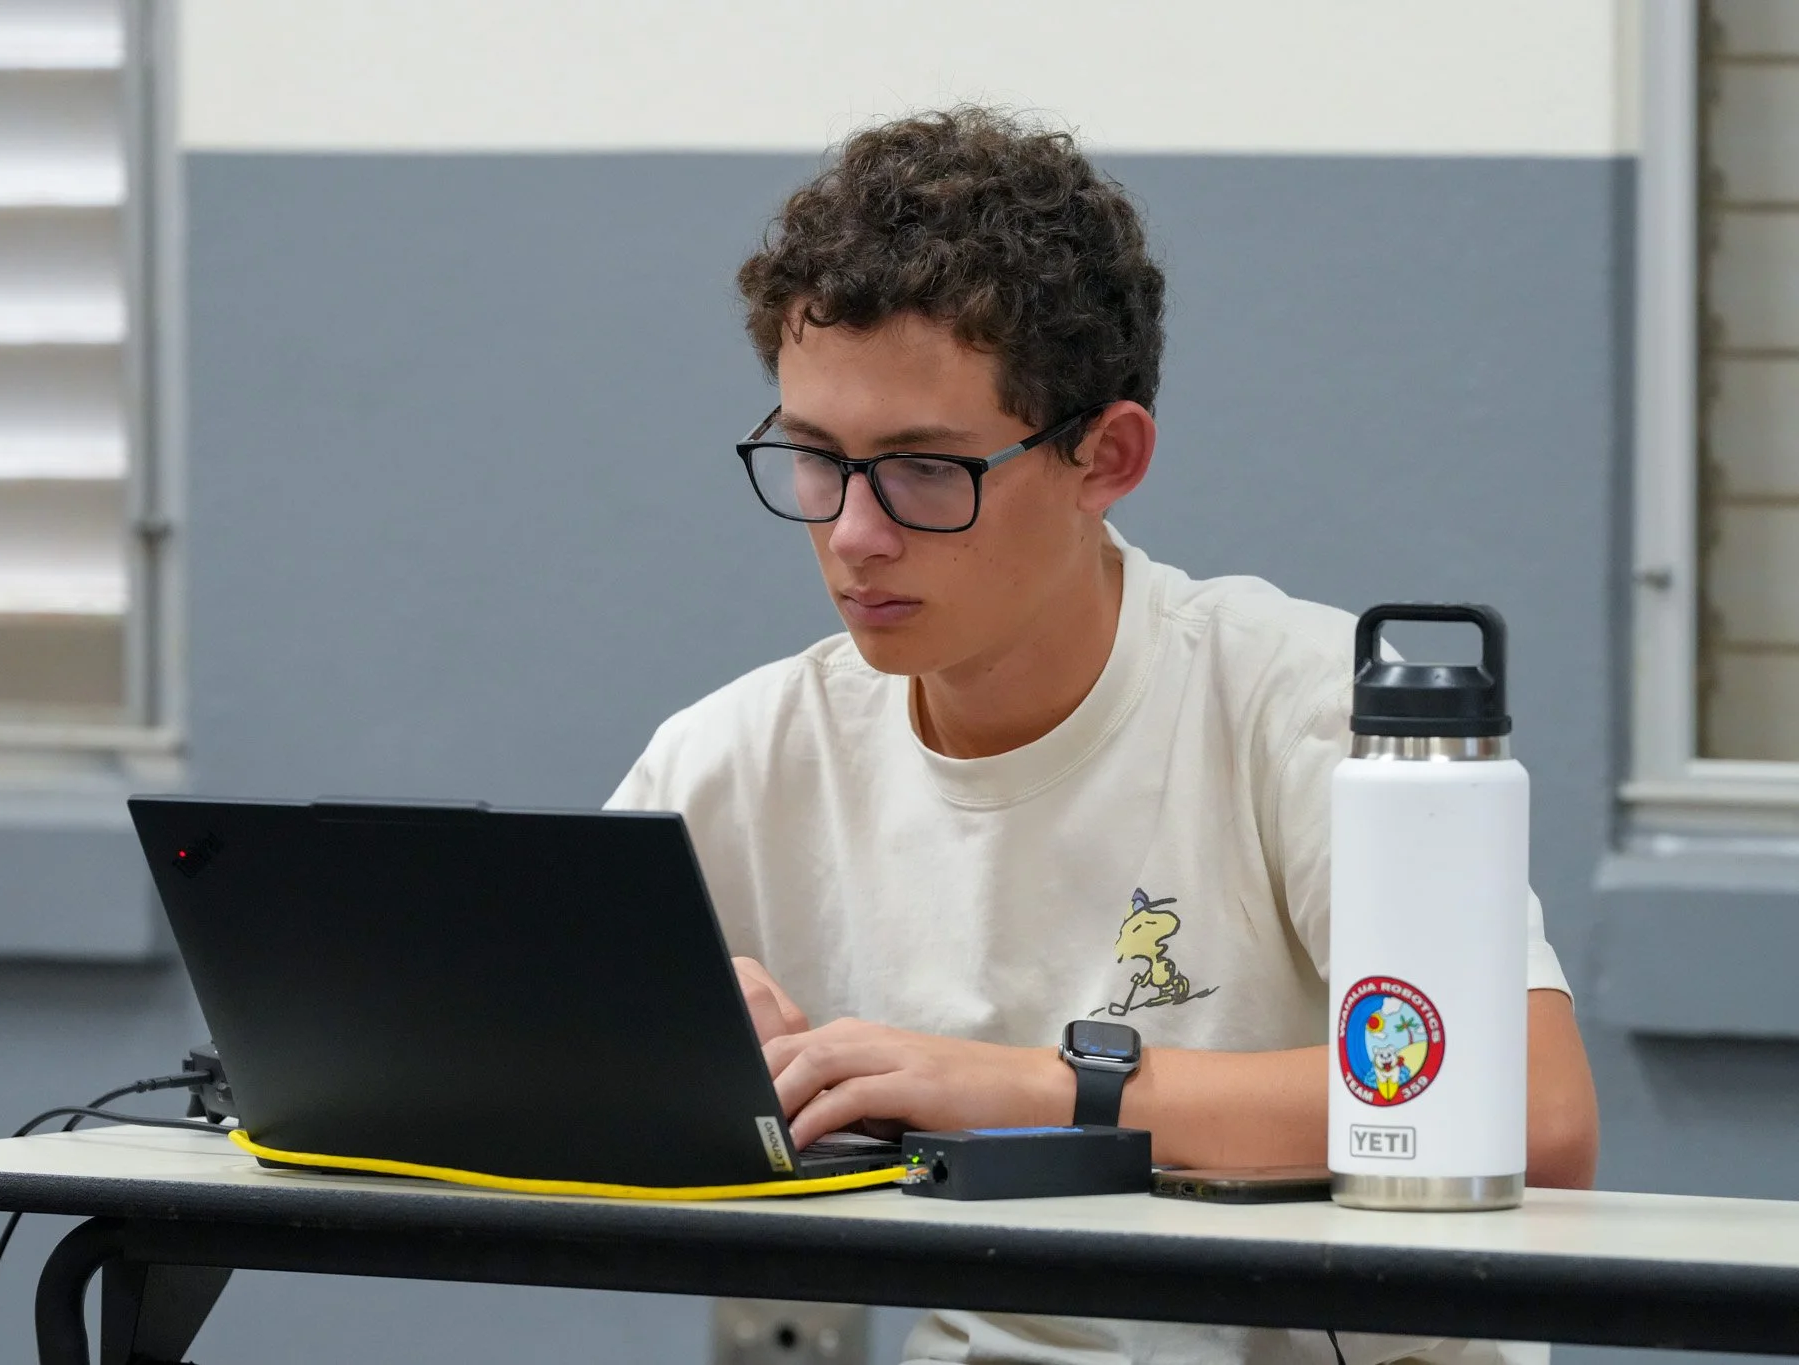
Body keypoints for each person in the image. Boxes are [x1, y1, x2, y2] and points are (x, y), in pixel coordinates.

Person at [607, 106, 1599, 1365]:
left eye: (924, 470)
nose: (853, 534)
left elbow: (1535, 1115)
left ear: (1105, 456)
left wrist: (1045, 1094)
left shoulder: (1304, 708)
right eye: (814, 459)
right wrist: (643, 1057)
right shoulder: (738, 755)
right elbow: (462, 1067)